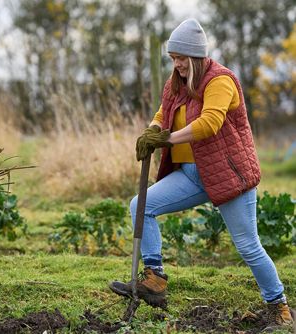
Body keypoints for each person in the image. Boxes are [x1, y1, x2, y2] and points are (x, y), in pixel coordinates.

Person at [109, 18, 293, 327]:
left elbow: (210, 123)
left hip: (229, 175)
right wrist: (151, 131)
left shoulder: (221, 81)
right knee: (140, 205)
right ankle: (154, 279)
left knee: (248, 246)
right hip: (193, 176)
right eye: (172, 58)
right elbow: (162, 113)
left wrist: (165, 139)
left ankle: (280, 308)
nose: (176, 64)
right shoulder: (176, 84)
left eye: (180, 58)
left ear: (195, 56)